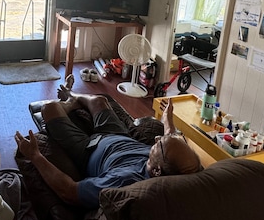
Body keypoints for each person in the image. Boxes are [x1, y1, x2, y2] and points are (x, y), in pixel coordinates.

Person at [14, 76, 201, 209]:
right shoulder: (171, 166)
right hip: (119, 135)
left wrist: (35, 156)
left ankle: (70, 101)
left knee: (50, 108)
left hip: (88, 149)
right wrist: (168, 118)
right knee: (99, 100)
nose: (156, 138)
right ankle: (72, 96)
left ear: (157, 171)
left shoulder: (125, 181)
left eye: (158, 144)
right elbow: (170, 140)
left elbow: (69, 192)